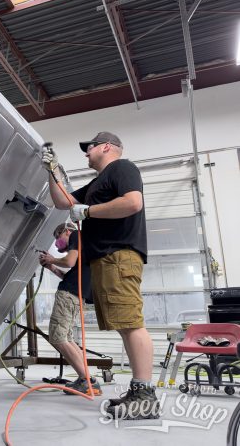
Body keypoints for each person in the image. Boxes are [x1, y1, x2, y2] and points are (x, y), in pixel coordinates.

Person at [42, 132, 158, 420]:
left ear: (107, 146)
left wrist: (89, 211)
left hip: (119, 255)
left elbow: (133, 202)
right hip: (105, 259)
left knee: (131, 324)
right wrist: (53, 171)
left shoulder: (122, 168)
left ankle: (145, 397)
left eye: (90, 147)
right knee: (124, 324)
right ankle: (139, 392)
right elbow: (63, 202)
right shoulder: (97, 183)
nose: (86, 152)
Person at [39, 222, 99, 396]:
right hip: (75, 295)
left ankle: (85, 380)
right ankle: (88, 379)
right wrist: (51, 266)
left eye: (58, 237)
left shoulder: (76, 235)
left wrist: (51, 259)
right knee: (67, 337)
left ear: (66, 231)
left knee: (57, 337)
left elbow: (69, 261)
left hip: (68, 295)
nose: (58, 243)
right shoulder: (85, 246)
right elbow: (70, 275)